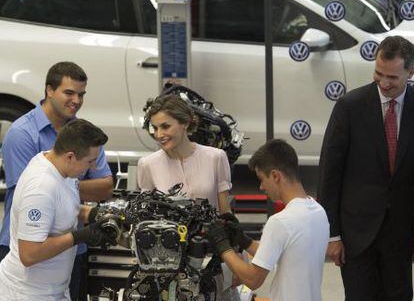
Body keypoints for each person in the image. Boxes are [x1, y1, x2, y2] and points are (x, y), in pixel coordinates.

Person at [0, 62, 113, 300]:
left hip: (54, 286)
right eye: (90, 162)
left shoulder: (63, 170)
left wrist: (91, 216)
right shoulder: (40, 187)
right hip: (28, 292)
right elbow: (30, 254)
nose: (93, 167)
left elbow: (70, 201)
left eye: (81, 94)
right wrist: (78, 236)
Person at [318, 35, 414, 301]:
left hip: (401, 236)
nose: (384, 83)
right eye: (378, 74)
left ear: (411, 71)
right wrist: (332, 234)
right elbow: (329, 174)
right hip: (356, 236)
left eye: (393, 78)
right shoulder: (350, 107)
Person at [206, 139, 329, 301]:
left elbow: (253, 279)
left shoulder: (280, 222)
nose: (261, 187)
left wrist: (223, 246)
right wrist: (243, 240)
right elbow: (280, 252)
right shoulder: (317, 211)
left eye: (262, 179)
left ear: (275, 176)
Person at [137, 94, 234, 298]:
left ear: (185, 123)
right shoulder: (147, 165)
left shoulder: (215, 158)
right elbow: (146, 220)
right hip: (167, 265)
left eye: (165, 126)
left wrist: (234, 260)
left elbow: (226, 213)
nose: (159, 134)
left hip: (210, 258)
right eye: (154, 128)